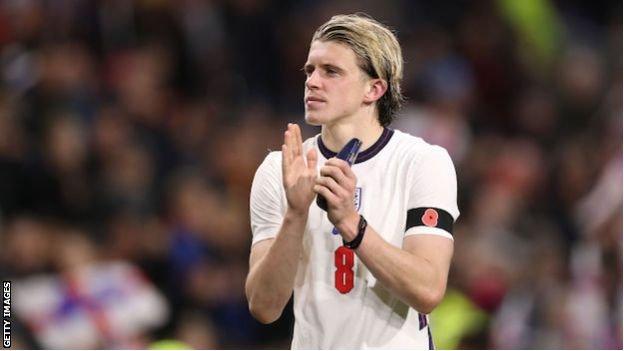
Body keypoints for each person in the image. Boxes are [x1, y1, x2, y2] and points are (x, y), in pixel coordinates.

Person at [246, 13, 459, 349]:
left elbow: (428, 290)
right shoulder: (280, 169)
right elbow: (264, 306)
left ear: (374, 89)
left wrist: (351, 223)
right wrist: (295, 214)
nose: (313, 82)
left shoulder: (422, 162)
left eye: (331, 71)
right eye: (310, 70)